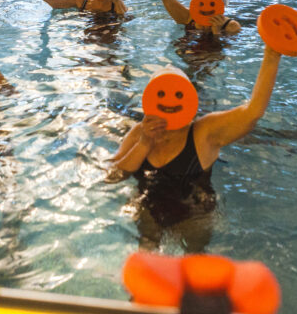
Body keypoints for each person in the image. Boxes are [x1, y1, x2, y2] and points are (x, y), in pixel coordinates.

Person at [108, 49, 282, 250]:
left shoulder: (204, 133)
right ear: (150, 99)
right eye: (161, 94)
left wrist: (272, 55)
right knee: (146, 254)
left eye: (179, 95)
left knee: (195, 258)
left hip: (195, 216)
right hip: (149, 212)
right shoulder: (140, 133)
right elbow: (113, 176)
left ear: (189, 99)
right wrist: (144, 144)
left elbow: (253, 112)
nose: (170, 101)